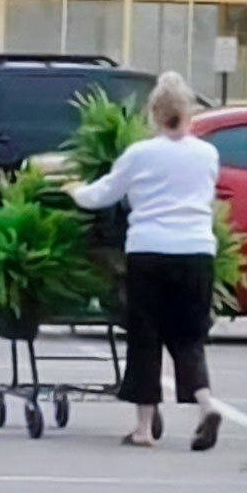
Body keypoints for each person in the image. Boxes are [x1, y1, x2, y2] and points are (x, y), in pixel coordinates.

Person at [69, 71, 221, 449]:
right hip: (197, 252)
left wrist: (75, 191)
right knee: (188, 336)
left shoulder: (140, 154)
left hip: (149, 251)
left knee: (145, 337)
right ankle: (206, 405)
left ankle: (143, 428)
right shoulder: (207, 154)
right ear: (189, 112)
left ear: (153, 113)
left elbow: (104, 194)